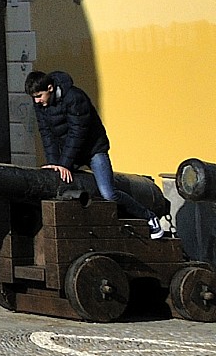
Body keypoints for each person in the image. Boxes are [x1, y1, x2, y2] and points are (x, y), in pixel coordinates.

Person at [27, 68, 166, 233]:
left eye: (39, 96)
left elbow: (77, 133)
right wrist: (54, 164)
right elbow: (47, 134)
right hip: (72, 153)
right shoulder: (41, 105)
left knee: (108, 193)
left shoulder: (75, 98)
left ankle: (149, 217)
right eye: (34, 97)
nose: (36, 101)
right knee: (60, 189)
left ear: (50, 88)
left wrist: (64, 164)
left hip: (93, 150)